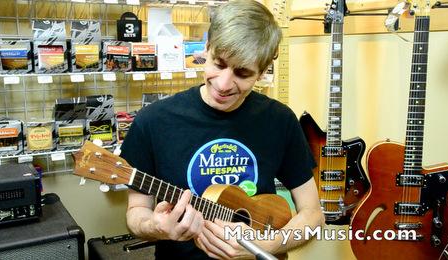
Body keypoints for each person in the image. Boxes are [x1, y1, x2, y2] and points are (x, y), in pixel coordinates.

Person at [121, 0, 324, 259]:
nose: (224, 84)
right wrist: (155, 226)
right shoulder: (152, 121)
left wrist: (265, 246)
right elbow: (136, 210)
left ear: (262, 72)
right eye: (218, 64)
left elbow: (313, 214)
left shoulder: (280, 120)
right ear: (206, 48)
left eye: (242, 73)